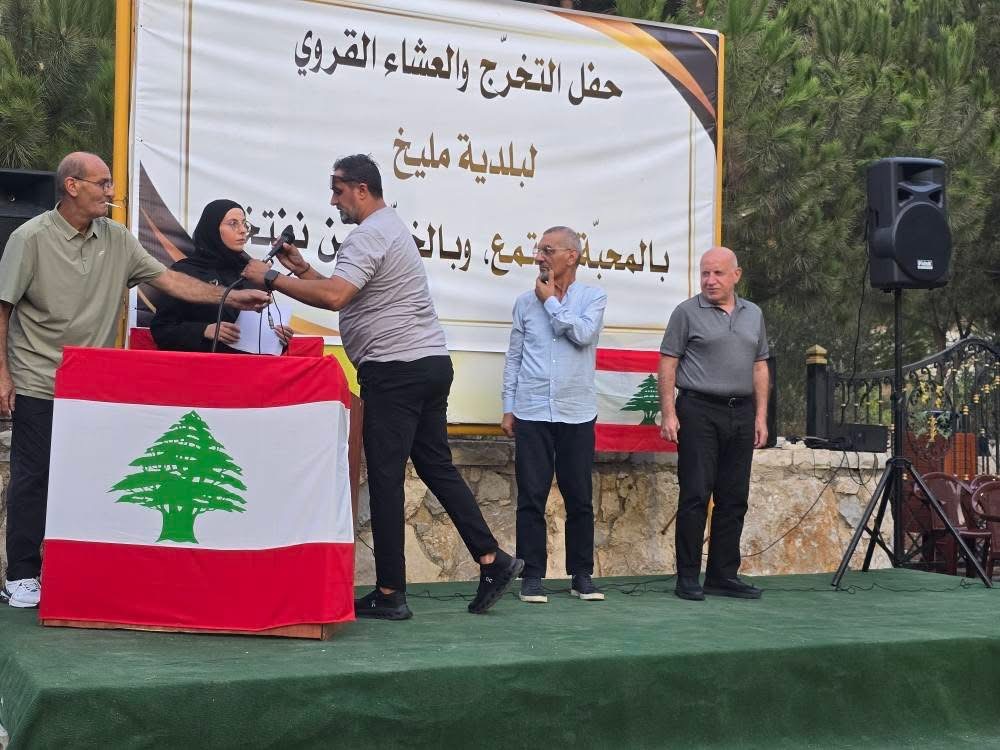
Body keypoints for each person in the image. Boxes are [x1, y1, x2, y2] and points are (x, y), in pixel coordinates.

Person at [242, 154, 523, 619]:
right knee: (435, 466)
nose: (333, 201)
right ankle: (492, 559)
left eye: (337, 191)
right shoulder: (389, 228)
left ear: (361, 189)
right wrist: (302, 270)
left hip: (395, 370)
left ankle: (391, 592)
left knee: (387, 478)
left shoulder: (368, 234)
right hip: (428, 363)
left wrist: (270, 276)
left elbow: (336, 296)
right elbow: (348, 293)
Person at [0, 152, 269, 608]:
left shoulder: (119, 238)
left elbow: (172, 282)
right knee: (35, 475)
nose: (111, 192)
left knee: (88, 476)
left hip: (94, 385)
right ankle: (22, 574)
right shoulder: (30, 238)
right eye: (102, 183)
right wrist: (3, 375)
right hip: (38, 377)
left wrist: (231, 297)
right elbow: (3, 308)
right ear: (72, 186)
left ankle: (75, 567)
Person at [500, 226, 607, 604]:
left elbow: (582, 334)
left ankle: (581, 576)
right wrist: (508, 407)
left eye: (547, 250)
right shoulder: (523, 303)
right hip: (531, 411)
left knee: (579, 497)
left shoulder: (593, 297)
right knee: (531, 496)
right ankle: (531, 576)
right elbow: (514, 357)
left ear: (571, 256)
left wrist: (550, 303)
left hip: (576, 412)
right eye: (538, 250)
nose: (539, 257)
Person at [657, 246, 769, 601]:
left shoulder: (754, 314)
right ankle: (687, 577)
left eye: (718, 273)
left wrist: (761, 416)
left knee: (734, 497)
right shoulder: (686, 313)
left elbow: (759, 366)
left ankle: (723, 576)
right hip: (698, 410)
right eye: (705, 273)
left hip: (742, 412)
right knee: (695, 494)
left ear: (736, 275)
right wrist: (669, 413)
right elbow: (668, 363)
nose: (710, 280)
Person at [150, 199, 292, 353]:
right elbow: (162, 330)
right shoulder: (184, 272)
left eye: (244, 223)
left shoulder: (250, 273)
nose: (243, 230)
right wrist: (204, 331)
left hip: (246, 367)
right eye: (233, 224)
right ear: (212, 229)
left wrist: (278, 338)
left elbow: (255, 330)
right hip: (201, 366)